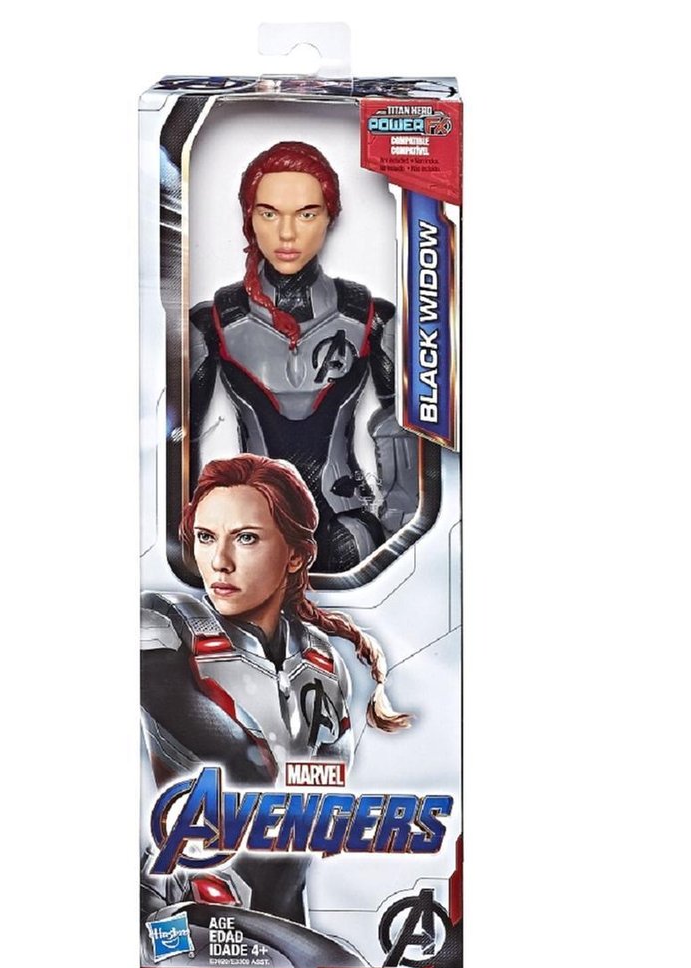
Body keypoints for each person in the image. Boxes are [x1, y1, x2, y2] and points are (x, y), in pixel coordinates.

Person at [141, 454, 410, 922]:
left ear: (296, 555)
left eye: (245, 538)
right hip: (183, 900)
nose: (219, 562)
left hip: (279, 906)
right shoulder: (167, 623)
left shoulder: (323, 660)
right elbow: (237, 764)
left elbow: (311, 822)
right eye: (205, 537)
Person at [188, 142, 419, 574]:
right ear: (249, 218)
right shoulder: (214, 321)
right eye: (269, 214)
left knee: (349, 545)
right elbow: (178, 439)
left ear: (331, 216)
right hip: (251, 530)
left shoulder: (370, 317)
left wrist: (404, 529)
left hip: (346, 524)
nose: (287, 234)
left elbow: (404, 429)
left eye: (307, 214)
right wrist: (191, 529)